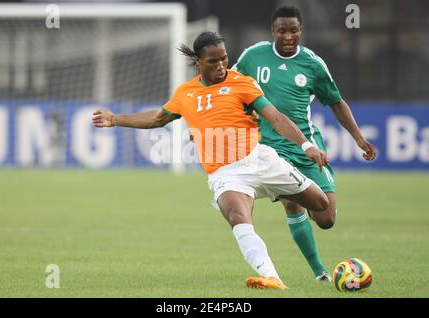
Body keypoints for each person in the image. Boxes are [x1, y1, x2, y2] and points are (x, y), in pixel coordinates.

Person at [92, 32, 330, 290]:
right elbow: (157, 118)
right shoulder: (185, 93)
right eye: (213, 61)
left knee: (322, 207)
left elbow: (275, 117)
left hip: (260, 160)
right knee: (238, 217)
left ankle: (287, 202)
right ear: (198, 61)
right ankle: (272, 277)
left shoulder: (242, 83)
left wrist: (305, 145)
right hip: (227, 174)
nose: (221, 66)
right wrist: (114, 119)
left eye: (224, 59)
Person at [232, 6, 377, 281]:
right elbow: (229, 85)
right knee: (292, 203)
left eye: (294, 30)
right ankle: (319, 272)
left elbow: (336, 102)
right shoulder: (253, 56)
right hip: (270, 148)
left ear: (301, 31)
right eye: (283, 30)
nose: (288, 36)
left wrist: (358, 138)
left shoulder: (312, 64)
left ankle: (314, 195)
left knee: (326, 218)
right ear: (273, 31)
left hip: (307, 145)